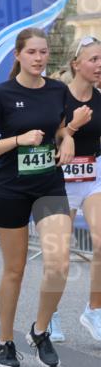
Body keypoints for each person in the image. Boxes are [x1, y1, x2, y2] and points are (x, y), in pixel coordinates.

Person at [0, 27, 73, 367]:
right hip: (11, 188)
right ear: (18, 55)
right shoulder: (1, 94)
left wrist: (67, 136)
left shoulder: (58, 90)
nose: (39, 58)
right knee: (14, 270)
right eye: (32, 52)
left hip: (48, 184)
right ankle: (5, 340)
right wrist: (18, 140)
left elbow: (60, 126)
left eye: (44, 52)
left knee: (59, 263)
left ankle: (40, 330)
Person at [48, 36, 101, 342]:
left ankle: (94, 309)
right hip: (60, 180)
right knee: (59, 255)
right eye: (93, 59)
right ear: (76, 64)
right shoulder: (58, 97)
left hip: (93, 177)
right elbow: (49, 138)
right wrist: (71, 127)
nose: (99, 65)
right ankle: (50, 313)